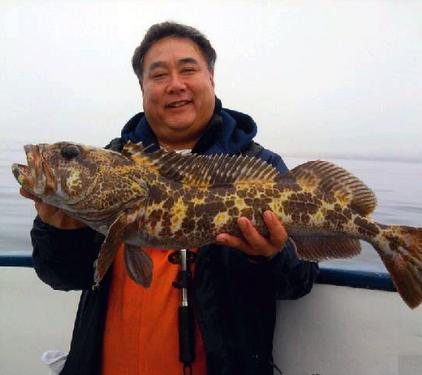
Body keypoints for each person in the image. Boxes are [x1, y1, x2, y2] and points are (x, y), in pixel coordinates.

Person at [21, 22, 319, 375]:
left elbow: (299, 281)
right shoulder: (109, 167)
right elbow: (63, 276)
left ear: (211, 78)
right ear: (143, 87)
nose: (175, 84)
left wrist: (269, 257)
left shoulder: (261, 168)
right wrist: (59, 232)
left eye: (188, 69)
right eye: (158, 74)